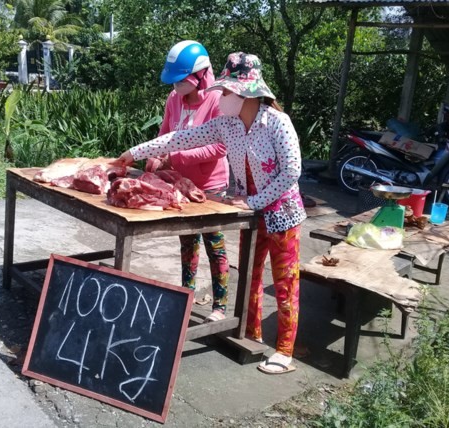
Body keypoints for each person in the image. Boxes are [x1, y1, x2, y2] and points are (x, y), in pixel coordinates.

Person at [114, 52, 306, 375]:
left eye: (227, 92)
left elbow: (292, 172)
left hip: (282, 214)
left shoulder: (277, 123)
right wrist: (135, 152)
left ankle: (285, 350)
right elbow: (179, 138)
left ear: (246, 92)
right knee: (250, 278)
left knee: (286, 282)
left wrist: (256, 201)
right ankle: (251, 334)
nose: (222, 97)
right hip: (251, 214)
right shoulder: (227, 125)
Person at [152, 40, 231, 323]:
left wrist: (179, 156)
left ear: (200, 75)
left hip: (211, 187)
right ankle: (186, 295)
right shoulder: (173, 100)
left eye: (181, 81)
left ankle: (220, 305)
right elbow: (165, 134)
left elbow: (221, 147)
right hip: (181, 184)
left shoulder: (218, 101)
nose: (176, 87)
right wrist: (156, 156)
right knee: (187, 242)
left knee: (214, 242)